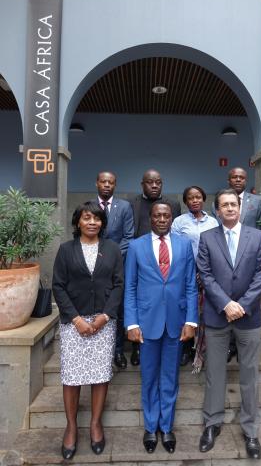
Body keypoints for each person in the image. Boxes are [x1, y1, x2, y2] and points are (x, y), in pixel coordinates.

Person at [197, 188, 261, 460]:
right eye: (224, 205)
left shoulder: (258, 237)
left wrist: (243, 304)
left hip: (248, 317)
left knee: (249, 375)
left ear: (239, 208)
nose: (229, 208)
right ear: (217, 210)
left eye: (233, 204)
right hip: (218, 315)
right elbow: (204, 273)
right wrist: (226, 304)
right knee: (215, 373)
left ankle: (251, 430)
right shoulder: (207, 238)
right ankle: (212, 423)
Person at [124, 201, 198, 454]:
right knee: (149, 378)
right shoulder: (136, 246)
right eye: (157, 215)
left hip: (176, 323)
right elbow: (130, 287)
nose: (162, 219)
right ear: (151, 218)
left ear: (172, 218)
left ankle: (166, 428)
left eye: (167, 215)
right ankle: (150, 427)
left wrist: (191, 320)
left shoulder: (184, 244)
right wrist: (131, 322)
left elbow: (190, 285)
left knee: (170, 378)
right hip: (146, 324)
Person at [52, 201, 123, 460]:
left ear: (103, 223)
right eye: (87, 218)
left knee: (100, 374)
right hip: (74, 324)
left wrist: (105, 316)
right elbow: (58, 286)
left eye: (97, 218)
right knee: (72, 376)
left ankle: (95, 424)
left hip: (103, 322)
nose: (92, 222)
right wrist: (76, 319)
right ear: (77, 222)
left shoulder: (112, 250)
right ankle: (71, 426)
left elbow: (118, 285)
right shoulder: (66, 250)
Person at [212, 167, 261, 362]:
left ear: (246, 179)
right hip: (225, 263)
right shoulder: (220, 200)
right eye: (234, 177)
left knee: (247, 308)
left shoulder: (258, 202)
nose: (237, 180)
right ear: (228, 179)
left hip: (250, 263)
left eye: (241, 177)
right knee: (226, 305)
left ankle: (240, 345)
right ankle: (230, 347)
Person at [129, 169, 181, 365]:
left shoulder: (173, 204)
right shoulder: (132, 203)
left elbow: (174, 233)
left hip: (166, 261)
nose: (154, 185)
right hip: (142, 260)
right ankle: (137, 348)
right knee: (142, 305)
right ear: (142, 184)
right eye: (150, 182)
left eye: (158, 182)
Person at [171, 185, 218, 366]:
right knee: (186, 311)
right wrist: (191, 273)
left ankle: (202, 349)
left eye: (198, 197)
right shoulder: (179, 222)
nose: (195, 200)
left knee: (204, 312)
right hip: (185, 274)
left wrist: (205, 273)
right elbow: (175, 249)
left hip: (208, 274)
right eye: (191, 198)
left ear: (204, 199)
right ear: (186, 201)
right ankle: (186, 348)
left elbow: (217, 249)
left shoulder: (213, 222)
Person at [95, 171, 134, 369]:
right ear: (97, 184)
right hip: (92, 266)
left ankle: (118, 351)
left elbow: (129, 236)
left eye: (111, 182)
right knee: (97, 307)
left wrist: (110, 256)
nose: (107, 185)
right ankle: (100, 350)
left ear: (115, 185)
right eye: (103, 182)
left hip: (118, 265)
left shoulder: (125, 206)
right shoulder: (89, 207)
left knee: (116, 309)